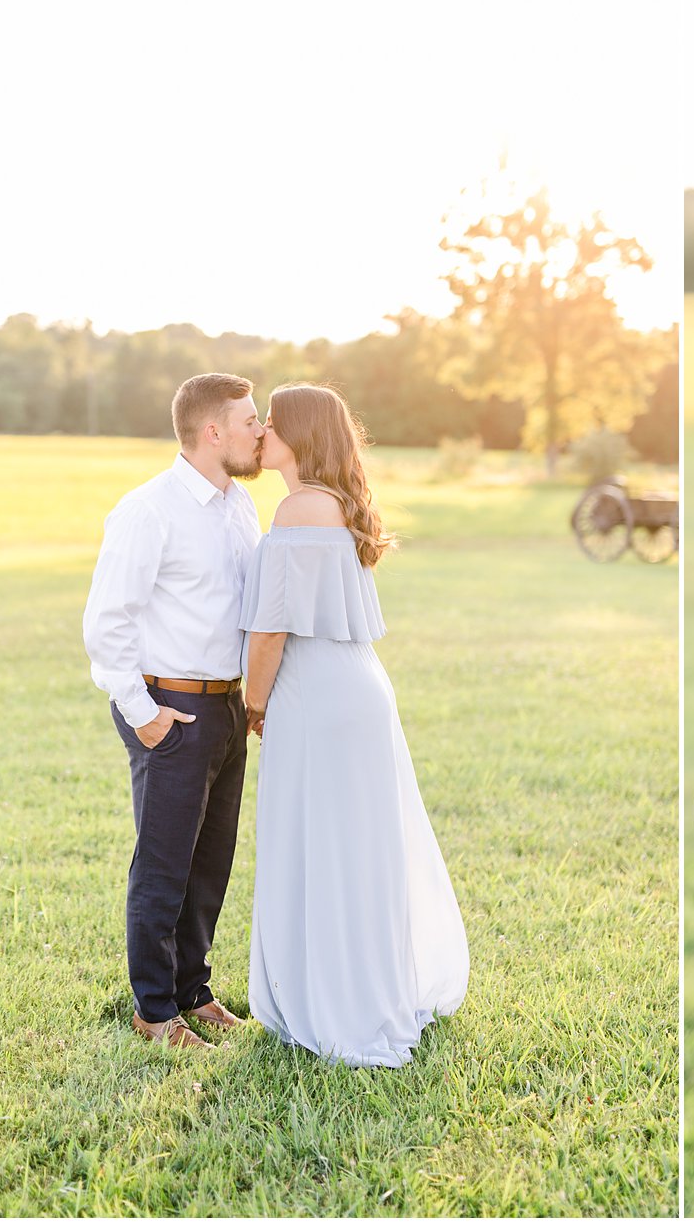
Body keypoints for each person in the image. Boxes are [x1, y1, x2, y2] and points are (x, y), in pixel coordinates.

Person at [241, 382, 468, 1066]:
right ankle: (364, 988)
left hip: (316, 696)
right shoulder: (337, 505)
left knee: (323, 845)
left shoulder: (297, 510)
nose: (262, 432)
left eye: (272, 423)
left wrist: (252, 704)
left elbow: (271, 632)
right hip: (357, 687)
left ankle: (336, 1001)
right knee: (356, 847)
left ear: (300, 436)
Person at [82, 372, 265, 1049]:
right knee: (164, 865)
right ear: (212, 431)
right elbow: (108, 622)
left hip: (226, 707)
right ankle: (154, 1011)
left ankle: (194, 991)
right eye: (250, 420)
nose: (260, 430)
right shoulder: (149, 509)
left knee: (210, 863)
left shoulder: (238, 504)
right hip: (170, 709)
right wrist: (144, 712)